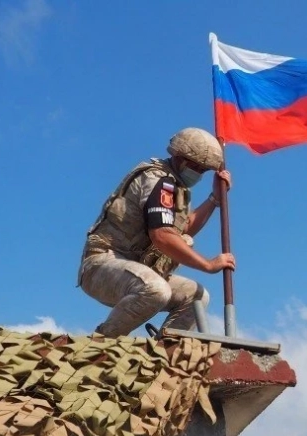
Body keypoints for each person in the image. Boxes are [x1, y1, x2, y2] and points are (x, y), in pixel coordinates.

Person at [77, 127, 236, 337]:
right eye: (197, 167)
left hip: (137, 271)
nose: (199, 174)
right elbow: (162, 236)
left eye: (204, 170)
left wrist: (214, 199)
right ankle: (100, 345)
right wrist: (207, 264)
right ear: (180, 158)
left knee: (197, 296)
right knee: (156, 290)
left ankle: (166, 350)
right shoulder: (158, 181)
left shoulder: (176, 188)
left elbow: (183, 229)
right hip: (102, 266)